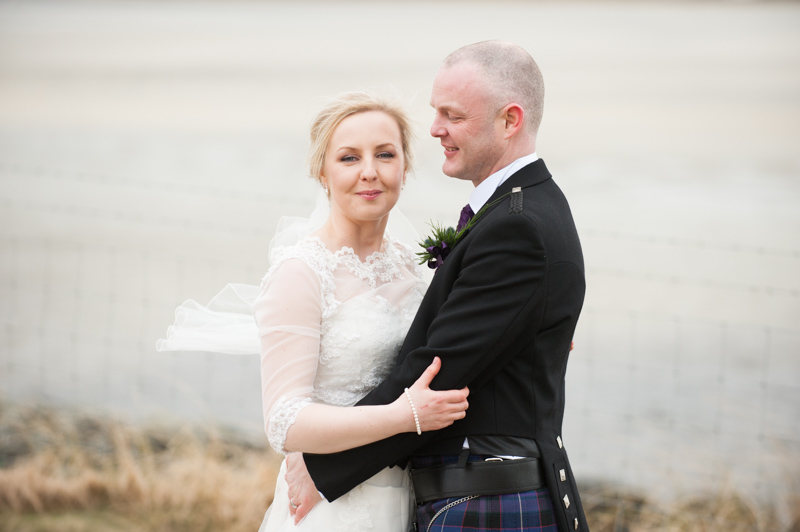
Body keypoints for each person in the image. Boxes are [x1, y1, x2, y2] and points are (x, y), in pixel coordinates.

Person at [287, 40, 588, 532]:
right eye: (435, 112)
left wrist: (324, 466)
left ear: (510, 120)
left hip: (481, 501)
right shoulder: (521, 209)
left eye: (453, 115)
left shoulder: (518, 226)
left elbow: (440, 371)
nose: (434, 130)